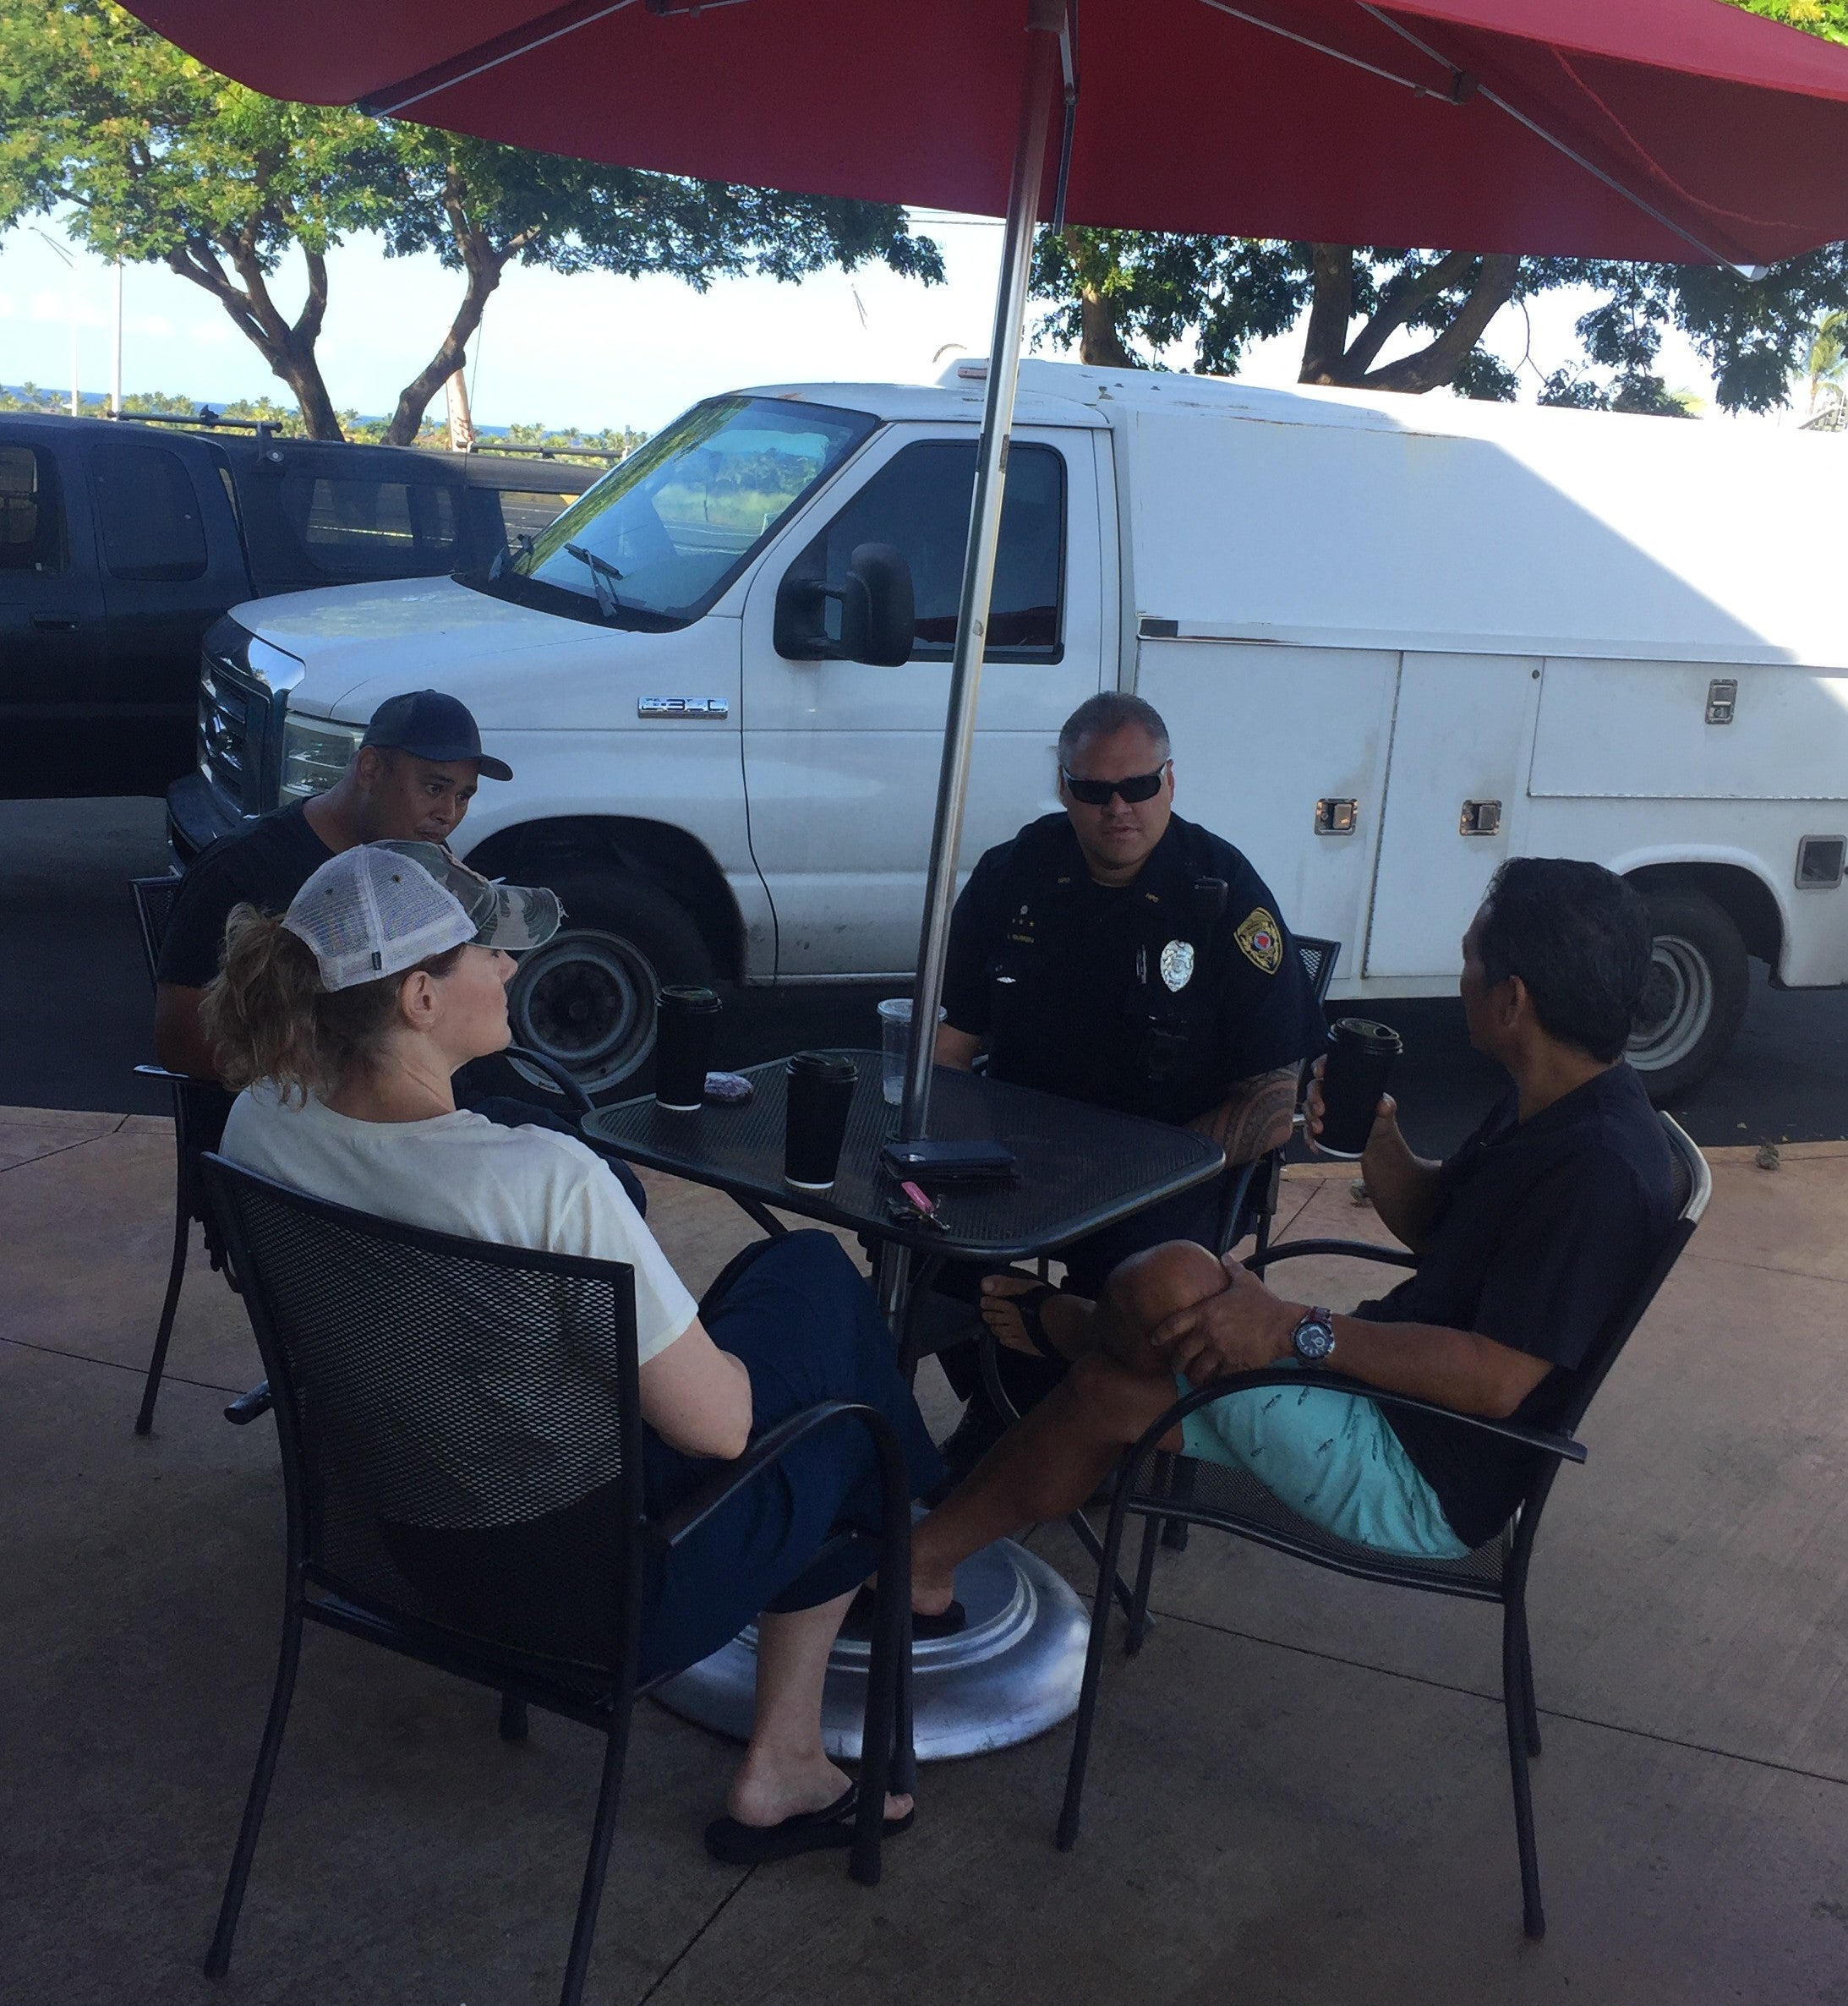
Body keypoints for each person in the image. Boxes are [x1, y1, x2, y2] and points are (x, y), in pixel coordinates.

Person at [204, 841, 943, 1864]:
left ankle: (910, 1554)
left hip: (399, 1549)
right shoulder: (538, 1179)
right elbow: (721, 1429)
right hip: (595, 1597)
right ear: (420, 997)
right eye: (484, 955)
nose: (509, 971)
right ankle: (818, 1714)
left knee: (797, 1284)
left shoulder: (260, 1124)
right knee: (848, 1417)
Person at [906, 856, 1677, 1599]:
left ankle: (1078, 1338)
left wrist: (1293, 1329)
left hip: (1425, 1472)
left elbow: (1496, 1380)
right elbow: (1436, 1226)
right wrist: (1375, 1134)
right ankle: (925, 1563)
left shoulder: (1598, 1170)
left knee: (1167, 1283)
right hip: (1399, 1403)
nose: (1461, 978)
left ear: (1512, 1000)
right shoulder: (1554, 1099)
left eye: (1470, 961)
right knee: (1118, 1377)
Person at [929, 691, 1328, 1466]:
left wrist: (1141, 1171)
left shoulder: (1224, 893)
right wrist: (921, 1139)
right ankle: (1009, 1407)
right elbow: (954, 1038)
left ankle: (1093, 1431)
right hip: (1028, 1144)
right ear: (1065, 786)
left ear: (1170, 782)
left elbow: (1276, 1102)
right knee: (917, 1238)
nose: (1119, 808)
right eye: (1094, 790)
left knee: (1136, 1280)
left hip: (1174, 1166)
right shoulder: (1015, 872)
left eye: (1139, 786)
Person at [155, 688, 509, 1082]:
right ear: (370, 768)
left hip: (421, 1101)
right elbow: (179, 1041)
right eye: (434, 788)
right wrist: (348, 1062)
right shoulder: (239, 868)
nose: (448, 813)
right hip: (286, 1117)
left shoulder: (427, 859)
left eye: (463, 796)